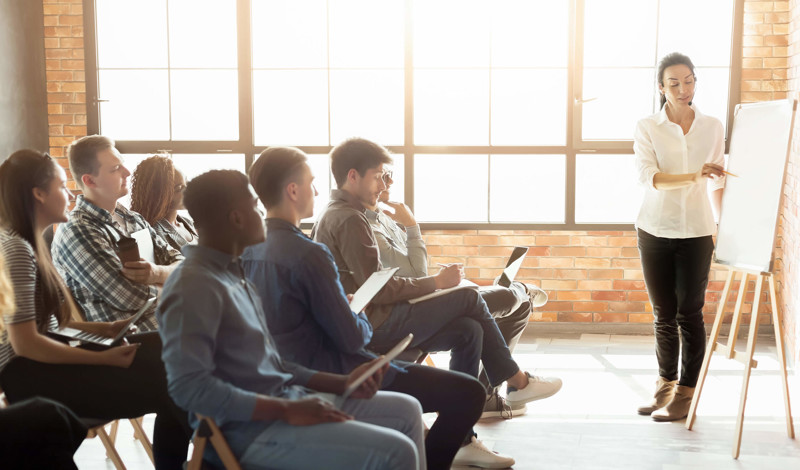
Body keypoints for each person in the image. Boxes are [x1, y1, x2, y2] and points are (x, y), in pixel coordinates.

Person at [242, 147, 512, 469]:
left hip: (285, 371)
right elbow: (353, 339)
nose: (317, 190)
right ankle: (509, 383)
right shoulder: (309, 253)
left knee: (467, 330)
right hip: (336, 371)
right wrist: (354, 311)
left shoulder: (246, 250)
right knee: (468, 394)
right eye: (311, 182)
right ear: (292, 190)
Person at [158, 169, 426, 470]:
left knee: (407, 410)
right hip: (246, 430)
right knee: (395, 451)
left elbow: (272, 363)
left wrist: (342, 382)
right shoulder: (192, 285)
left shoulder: (234, 272)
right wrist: (286, 409)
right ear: (236, 218)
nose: (263, 214)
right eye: (255, 207)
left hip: (285, 401)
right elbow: (189, 388)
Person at [312, 137, 562, 411]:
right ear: (352, 176)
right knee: (468, 296)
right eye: (378, 177)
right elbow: (379, 289)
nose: (384, 185)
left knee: (469, 330)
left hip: (375, 315)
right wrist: (437, 283)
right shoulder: (349, 219)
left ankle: (463, 435)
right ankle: (518, 382)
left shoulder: (343, 213)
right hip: (373, 323)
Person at [0, 149, 192, 469]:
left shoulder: (30, 242)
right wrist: (100, 357)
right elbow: (25, 343)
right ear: (39, 194)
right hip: (29, 374)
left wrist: (103, 329)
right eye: (62, 187)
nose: (70, 193)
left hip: (42, 363)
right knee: (175, 376)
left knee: (170, 352)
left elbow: (46, 326)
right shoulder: (17, 249)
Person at [366, 168, 549, 418]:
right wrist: (411, 226)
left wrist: (441, 280)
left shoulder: (383, 218)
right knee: (504, 298)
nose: (390, 181)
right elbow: (417, 273)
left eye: (389, 174)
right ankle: (522, 290)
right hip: (409, 307)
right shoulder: (368, 227)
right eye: (382, 175)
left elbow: (411, 274)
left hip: (418, 298)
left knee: (509, 309)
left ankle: (486, 394)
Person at [634, 52, 726, 421]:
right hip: (654, 228)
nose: (683, 89)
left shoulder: (713, 125)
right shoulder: (648, 126)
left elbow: (717, 178)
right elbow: (648, 176)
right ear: (661, 88)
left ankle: (686, 393)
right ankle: (664, 384)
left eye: (689, 80)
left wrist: (716, 176)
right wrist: (694, 176)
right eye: (674, 83)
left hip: (698, 230)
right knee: (663, 314)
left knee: (690, 312)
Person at [51, 136, 183, 331]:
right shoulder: (77, 230)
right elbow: (131, 297)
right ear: (89, 180)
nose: (127, 172)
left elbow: (184, 263)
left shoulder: (132, 218)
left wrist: (157, 273)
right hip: (137, 343)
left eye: (122, 165)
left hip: (176, 328)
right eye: (115, 169)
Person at [131, 154, 198, 250]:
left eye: (187, 183)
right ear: (159, 194)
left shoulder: (187, 222)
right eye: (179, 188)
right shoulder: (154, 232)